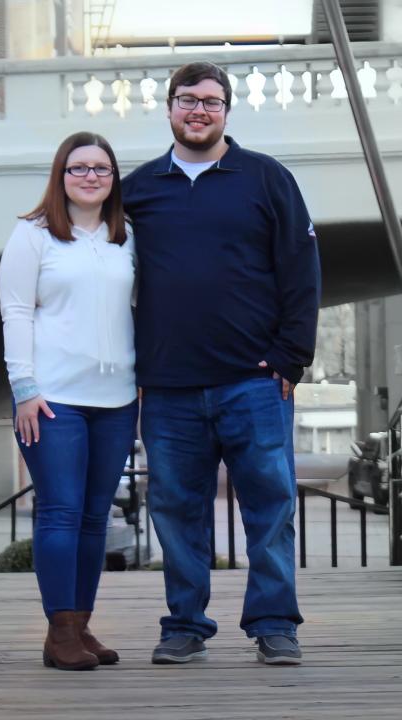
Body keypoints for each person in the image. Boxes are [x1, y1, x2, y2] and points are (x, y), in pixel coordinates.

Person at [122, 62, 321, 666]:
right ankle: (184, 624)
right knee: (176, 512)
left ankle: (273, 624)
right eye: (187, 100)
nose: (199, 111)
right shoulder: (136, 190)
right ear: (169, 109)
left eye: (211, 101)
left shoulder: (266, 179)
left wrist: (292, 357)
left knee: (271, 506)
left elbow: (301, 270)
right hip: (169, 387)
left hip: (254, 382)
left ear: (227, 110)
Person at [0, 132, 137, 671]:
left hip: (118, 399)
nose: (90, 176)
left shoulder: (127, 236)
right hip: (53, 399)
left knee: (95, 518)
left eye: (101, 168)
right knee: (60, 512)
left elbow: (138, 308)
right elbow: (16, 312)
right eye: (78, 168)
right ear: (61, 176)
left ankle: (79, 625)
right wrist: (24, 389)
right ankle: (59, 632)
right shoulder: (33, 235)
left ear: (112, 178)